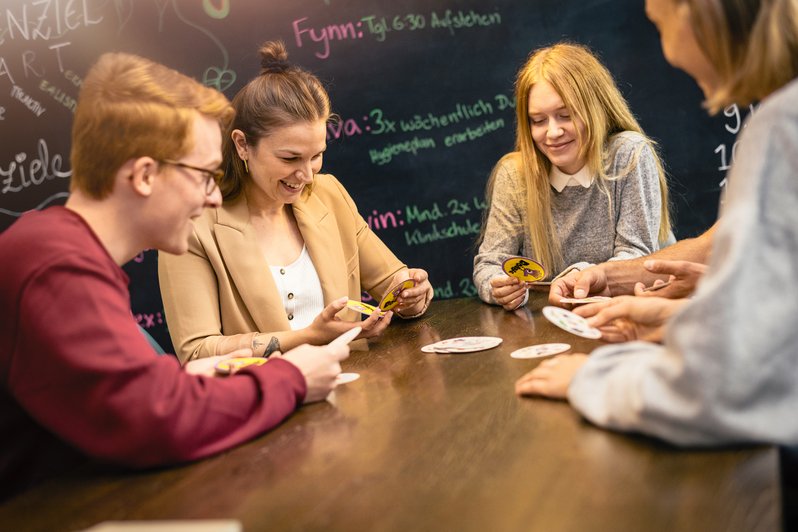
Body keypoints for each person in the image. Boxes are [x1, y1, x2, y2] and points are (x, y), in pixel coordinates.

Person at [0, 52, 349, 502]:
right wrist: (293, 378)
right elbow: (156, 420)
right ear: (145, 175)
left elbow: (130, 399)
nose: (210, 198)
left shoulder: (61, 251)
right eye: (205, 175)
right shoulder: (57, 267)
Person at [516, 0, 798, 448]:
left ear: (697, 15)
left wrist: (593, 378)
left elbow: (728, 386)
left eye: (658, 23)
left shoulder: (781, 129)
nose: (667, 52)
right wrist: (683, 313)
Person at [158, 41, 433, 365]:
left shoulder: (329, 195)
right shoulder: (193, 226)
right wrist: (308, 338)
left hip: (358, 394)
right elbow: (197, 352)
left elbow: (393, 284)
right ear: (243, 145)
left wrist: (411, 295)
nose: (305, 174)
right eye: (290, 158)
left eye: (317, 156)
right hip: (263, 403)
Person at [473, 42, 673, 311]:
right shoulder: (514, 174)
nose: (553, 132)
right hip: (556, 322)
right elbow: (489, 264)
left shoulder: (629, 154)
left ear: (595, 109)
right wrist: (498, 286)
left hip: (632, 314)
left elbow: (636, 258)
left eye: (565, 115)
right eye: (538, 121)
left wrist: (577, 275)